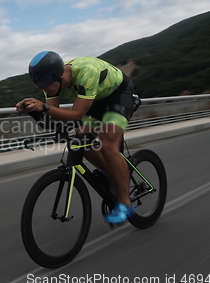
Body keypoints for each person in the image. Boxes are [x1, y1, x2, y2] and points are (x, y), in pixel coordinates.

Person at [16, 51, 138, 224]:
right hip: (95, 101)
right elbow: (52, 118)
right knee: (81, 143)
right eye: (38, 84)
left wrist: (44, 106)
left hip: (119, 94)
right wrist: (34, 111)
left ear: (58, 74)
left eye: (44, 81)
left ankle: (125, 203)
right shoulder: (51, 84)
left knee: (107, 144)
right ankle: (116, 175)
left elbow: (76, 114)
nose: (43, 87)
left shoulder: (86, 72)